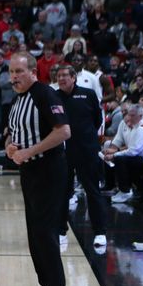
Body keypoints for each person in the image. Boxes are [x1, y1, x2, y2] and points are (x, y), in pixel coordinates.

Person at [6, 52, 71, 286]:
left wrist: (29, 151)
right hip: (30, 172)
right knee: (35, 233)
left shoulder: (45, 94)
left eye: (19, 71)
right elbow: (14, 133)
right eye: (11, 72)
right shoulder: (17, 100)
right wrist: (10, 147)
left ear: (34, 71)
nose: (14, 77)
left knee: (45, 232)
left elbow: (63, 131)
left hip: (48, 169)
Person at [54, 65, 107, 251]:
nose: (61, 79)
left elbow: (97, 119)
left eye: (64, 76)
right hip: (63, 152)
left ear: (73, 77)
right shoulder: (54, 97)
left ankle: (100, 232)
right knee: (62, 192)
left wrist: (85, 135)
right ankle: (61, 231)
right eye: (58, 76)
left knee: (93, 191)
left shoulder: (88, 94)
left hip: (87, 150)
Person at [103, 104, 143, 203]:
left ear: (141, 116)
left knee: (120, 159)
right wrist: (112, 152)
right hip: (138, 157)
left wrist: (114, 154)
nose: (129, 117)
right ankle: (113, 186)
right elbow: (128, 147)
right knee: (117, 156)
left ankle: (125, 191)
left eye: (132, 115)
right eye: (129, 115)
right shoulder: (133, 125)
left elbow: (133, 151)